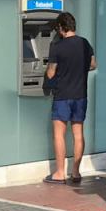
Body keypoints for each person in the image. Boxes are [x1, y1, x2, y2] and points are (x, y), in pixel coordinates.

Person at [43, 12, 96, 184]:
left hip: (62, 95)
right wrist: (78, 69)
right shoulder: (84, 43)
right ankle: (75, 173)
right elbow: (93, 64)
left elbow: (51, 73)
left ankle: (59, 173)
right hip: (80, 95)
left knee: (59, 135)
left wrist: (50, 70)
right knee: (78, 134)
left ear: (61, 28)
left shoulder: (57, 46)